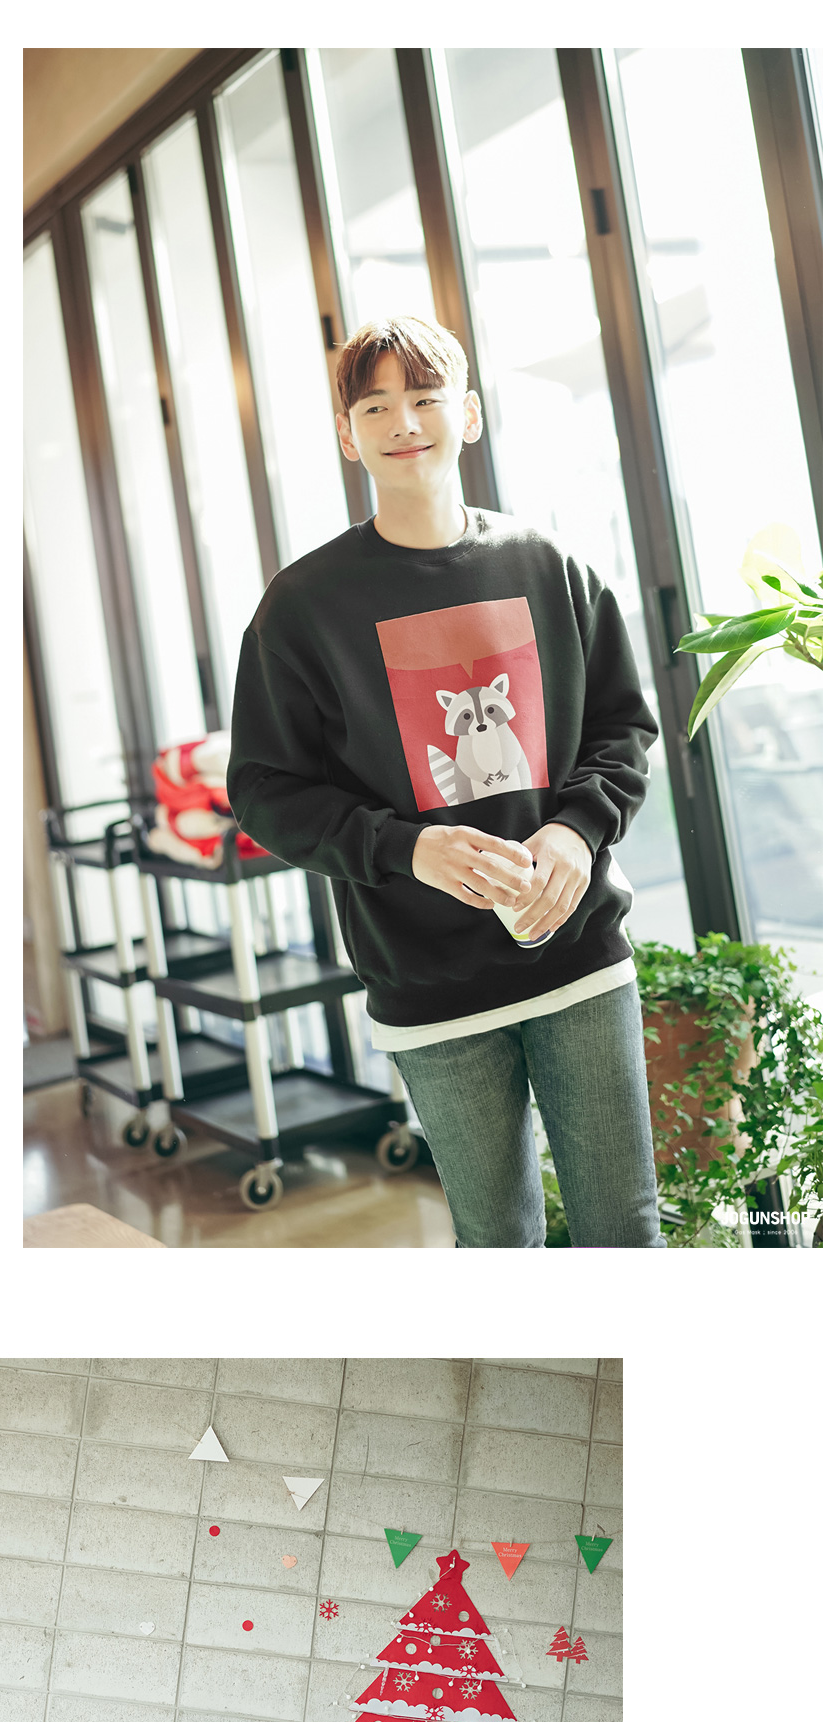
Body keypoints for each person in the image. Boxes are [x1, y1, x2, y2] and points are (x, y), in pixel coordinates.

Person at [228, 312, 664, 1249]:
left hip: (577, 955)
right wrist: (406, 848)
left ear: (468, 414)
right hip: (426, 980)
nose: (403, 422)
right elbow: (265, 788)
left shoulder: (550, 567)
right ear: (347, 434)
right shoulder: (301, 608)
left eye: (425, 398)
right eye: (375, 406)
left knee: (624, 1229)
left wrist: (576, 830)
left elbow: (623, 729)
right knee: (496, 1242)